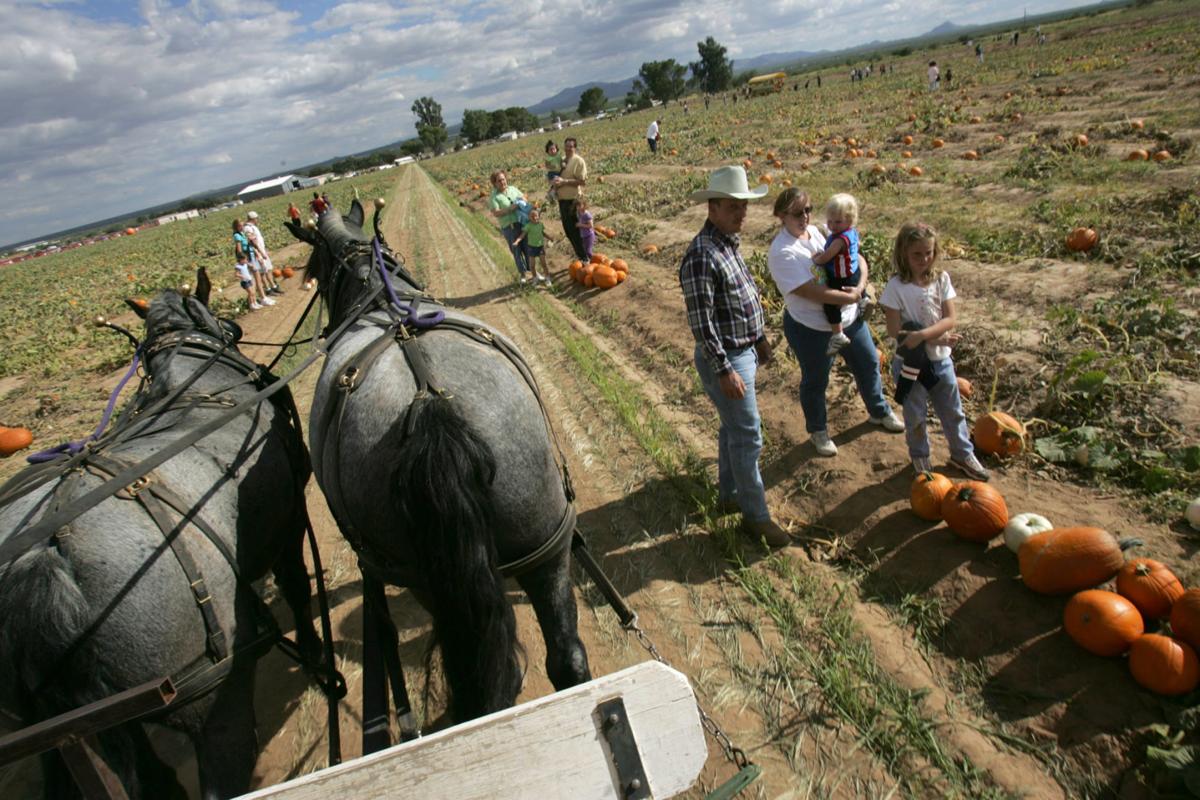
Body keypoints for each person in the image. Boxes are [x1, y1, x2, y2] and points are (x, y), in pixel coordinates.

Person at [679, 166, 790, 548]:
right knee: (748, 435)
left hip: (743, 351)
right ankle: (755, 518)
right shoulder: (701, 255)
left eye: (744, 206)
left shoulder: (727, 242)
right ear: (712, 208)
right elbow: (703, 324)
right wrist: (724, 369)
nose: (741, 213)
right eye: (732, 207)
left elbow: (743, 299)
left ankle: (729, 495)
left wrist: (759, 338)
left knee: (732, 428)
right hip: (725, 358)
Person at [765, 188, 903, 458]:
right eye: (797, 213)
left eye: (808, 209)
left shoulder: (818, 232)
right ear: (781, 216)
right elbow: (810, 292)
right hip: (811, 328)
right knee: (816, 381)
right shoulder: (782, 252)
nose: (805, 216)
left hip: (848, 320)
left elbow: (855, 259)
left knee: (868, 363)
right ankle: (818, 430)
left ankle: (878, 411)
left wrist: (860, 287)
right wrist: (850, 296)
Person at [880, 223, 990, 481]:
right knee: (915, 415)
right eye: (917, 254)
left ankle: (962, 454)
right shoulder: (896, 286)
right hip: (910, 365)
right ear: (904, 254)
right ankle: (920, 458)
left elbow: (950, 318)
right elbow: (897, 332)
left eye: (928, 253)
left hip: (941, 362)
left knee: (953, 411)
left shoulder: (941, 279)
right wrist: (936, 337)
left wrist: (924, 336)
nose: (924, 259)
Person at [809, 194, 863, 356]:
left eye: (838, 222)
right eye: (830, 221)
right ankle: (865, 298)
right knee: (856, 270)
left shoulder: (839, 240)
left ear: (850, 220)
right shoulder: (851, 232)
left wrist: (817, 259)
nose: (832, 226)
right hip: (852, 272)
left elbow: (827, 256)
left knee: (830, 304)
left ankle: (838, 334)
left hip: (841, 277)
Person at [488, 170, 532, 283]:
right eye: (499, 180)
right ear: (494, 183)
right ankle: (523, 275)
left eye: (503, 179)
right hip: (509, 227)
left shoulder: (513, 189)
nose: (502, 182)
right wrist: (510, 208)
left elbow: (524, 197)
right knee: (516, 251)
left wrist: (523, 200)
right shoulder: (494, 197)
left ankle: (532, 271)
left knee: (527, 248)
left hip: (521, 223)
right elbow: (496, 212)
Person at [552, 137, 588, 261]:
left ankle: (585, 257)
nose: (568, 148)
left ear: (575, 147)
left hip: (573, 201)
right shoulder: (562, 160)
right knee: (568, 230)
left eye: (571, 146)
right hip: (562, 200)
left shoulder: (578, 161)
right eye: (566, 146)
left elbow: (582, 181)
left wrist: (565, 181)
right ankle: (580, 255)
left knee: (576, 231)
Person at [232, 219, 274, 307]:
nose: (242, 227)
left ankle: (262, 298)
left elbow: (252, 245)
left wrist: (260, 254)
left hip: (252, 257)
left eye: (243, 225)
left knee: (257, 279)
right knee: (253, 280)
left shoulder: (244, 234)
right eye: (240, 226)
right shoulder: (237, 236)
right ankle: (257, 300)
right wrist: (245, 262)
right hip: (248, 260)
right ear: (236, 227)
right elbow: (239, 251)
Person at [244, 211, 283, 295]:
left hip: (262, 251)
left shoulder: (253, 227)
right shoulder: (248, 228)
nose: (257, 220)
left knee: (268, 269)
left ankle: (273, 286)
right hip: (257, 253)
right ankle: (268, 289)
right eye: (257, 218)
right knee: (262, 272)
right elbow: (252, 241)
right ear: (253, 219)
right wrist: (260, 252)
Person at [513, 207, 552, 285]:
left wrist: (550, 237)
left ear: (539, 216)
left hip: (540, 247)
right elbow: (522, 235)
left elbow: (543, 233)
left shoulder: (541, 225)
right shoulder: (528, 226)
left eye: (536, 215)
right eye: (532, 216)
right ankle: (535, 278)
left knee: (544, 264)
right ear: (529, 218)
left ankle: (547, 278)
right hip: (531, 248)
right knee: (532, 265)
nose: (535, 217)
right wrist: (517, 241)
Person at [575, 197, 595, 262]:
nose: (578, 207)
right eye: (577, 206)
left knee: (588, 251)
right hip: (583, 235)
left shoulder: (587, 214)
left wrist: (580, 225)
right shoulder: (578, 213)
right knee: (584, 251)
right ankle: (588, 263)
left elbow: (591, 225)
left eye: (580, 205)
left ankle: (595, 262)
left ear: (584, 205)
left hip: (589, 235)